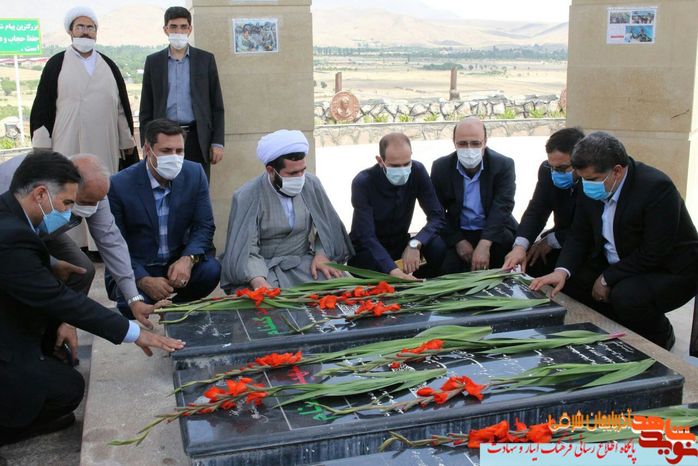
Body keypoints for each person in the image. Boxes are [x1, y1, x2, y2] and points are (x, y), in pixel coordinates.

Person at [0, 151, 184, 446]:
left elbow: (110, 240)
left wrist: (133, 298)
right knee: (69, 389)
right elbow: (58, 298)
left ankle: (38, 352)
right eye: (67, 204)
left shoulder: (13, 209)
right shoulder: (12, 235)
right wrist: (132, 333)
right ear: (41, 194)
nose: (70, 214)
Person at [530, 132, 698, 350]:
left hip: (667, 269)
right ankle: (615, 327)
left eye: (592, 180)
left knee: (626, 296)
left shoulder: (656, 188)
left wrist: (607, 278)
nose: (585, 185)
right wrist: (562, 271)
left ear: (617, 171)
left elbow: (655, 251)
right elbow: (580, 234)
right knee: (569, 279)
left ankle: (659, 335)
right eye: (582, 178)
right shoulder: (593, 183)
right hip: (620, 260)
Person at [0, 153, 157, 329]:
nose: (91, 208)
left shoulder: (94, 190)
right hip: (11, 235)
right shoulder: (18, 187)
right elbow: (14, 245)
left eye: (97, 202)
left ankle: (64, 324)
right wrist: (51, 262)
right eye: (83, 202)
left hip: (45, 227)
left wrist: (133, 298)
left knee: (81, 269)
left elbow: (111, 241)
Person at [30, 6, 138, 255]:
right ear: (70, 31)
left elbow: (120, 107)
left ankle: (101, 246)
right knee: (65, 190)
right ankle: (68, 246)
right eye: (80, 26)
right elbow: (43, 105)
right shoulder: (56, 64)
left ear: (96, 32)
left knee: (101, 190)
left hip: (104, 144)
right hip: (67, 143)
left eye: (90, 27)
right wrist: (43, 147)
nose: (85, 32)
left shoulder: (108, 65)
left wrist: (127, 142)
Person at [106, 119, 221, 318]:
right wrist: (142, 279)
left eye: (179, 151)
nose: (174, 157)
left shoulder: (194, 174)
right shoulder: (119, 184)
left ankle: (173, 307)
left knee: (211, 270)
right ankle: (151, 299)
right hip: (140, 265)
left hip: (175, 264)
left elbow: (204, 225)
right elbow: (114, 243)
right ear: (147, 150)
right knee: (129, 303)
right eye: (166, 151)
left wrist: (188, 259)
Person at [220, 129, 353, 291]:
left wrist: (321, 255)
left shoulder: (311, 184)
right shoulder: (247, 195)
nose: (300, 177)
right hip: (263, 269)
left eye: (302, 170)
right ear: (271, 171)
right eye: (292, 173)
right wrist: (258, 280)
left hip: (304, 264)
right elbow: (246, 249)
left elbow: (327, 229)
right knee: (262, 302)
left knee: (345, 288)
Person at [139, 6, 225, 180]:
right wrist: (146, 142)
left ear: (190, 29)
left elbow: (216, 105)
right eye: (173, 27)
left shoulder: (205, 60)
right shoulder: (154, 62)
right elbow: (146, 107)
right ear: (165, 29)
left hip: (197, 138)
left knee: (197, 186)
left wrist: (217, 142)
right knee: (165, 186)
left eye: (183, 27)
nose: (179, 31)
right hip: (163, 138)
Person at [348, 133, 446, 279]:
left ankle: (419, 283)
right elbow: (366, 235)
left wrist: (415, 243)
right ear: (380, 161)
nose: (402, 170)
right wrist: (392, 270)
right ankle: (399, 281)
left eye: (406, 164)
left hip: (400, 243)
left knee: (437, 246)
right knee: (368, 265)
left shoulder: (417, 171)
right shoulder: (363, 182)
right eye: (394, 166)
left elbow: (437, 216)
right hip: (370, 249)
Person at [431, 117, 517, 273]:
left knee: (506, 247)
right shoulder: (441, 167)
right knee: (439, 254)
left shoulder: (503, 165)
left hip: (492, 228)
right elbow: (436, 211)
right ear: (454, 142)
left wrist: (485, 243)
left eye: (476, 143)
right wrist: (458, 241)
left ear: (485, 142)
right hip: (458, 229)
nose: (469, 149)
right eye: (462, 143)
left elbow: (503, 207)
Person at [502, 128, 585, 276]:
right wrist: (520, 247)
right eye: (552, 166)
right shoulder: (546, 171)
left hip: (585, 245)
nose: (555, 172)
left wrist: (551, 240)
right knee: (529, 262)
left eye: (561, 168)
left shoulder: (593, 180)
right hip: (559, 238)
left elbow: (588, 227)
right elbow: (537, 211)